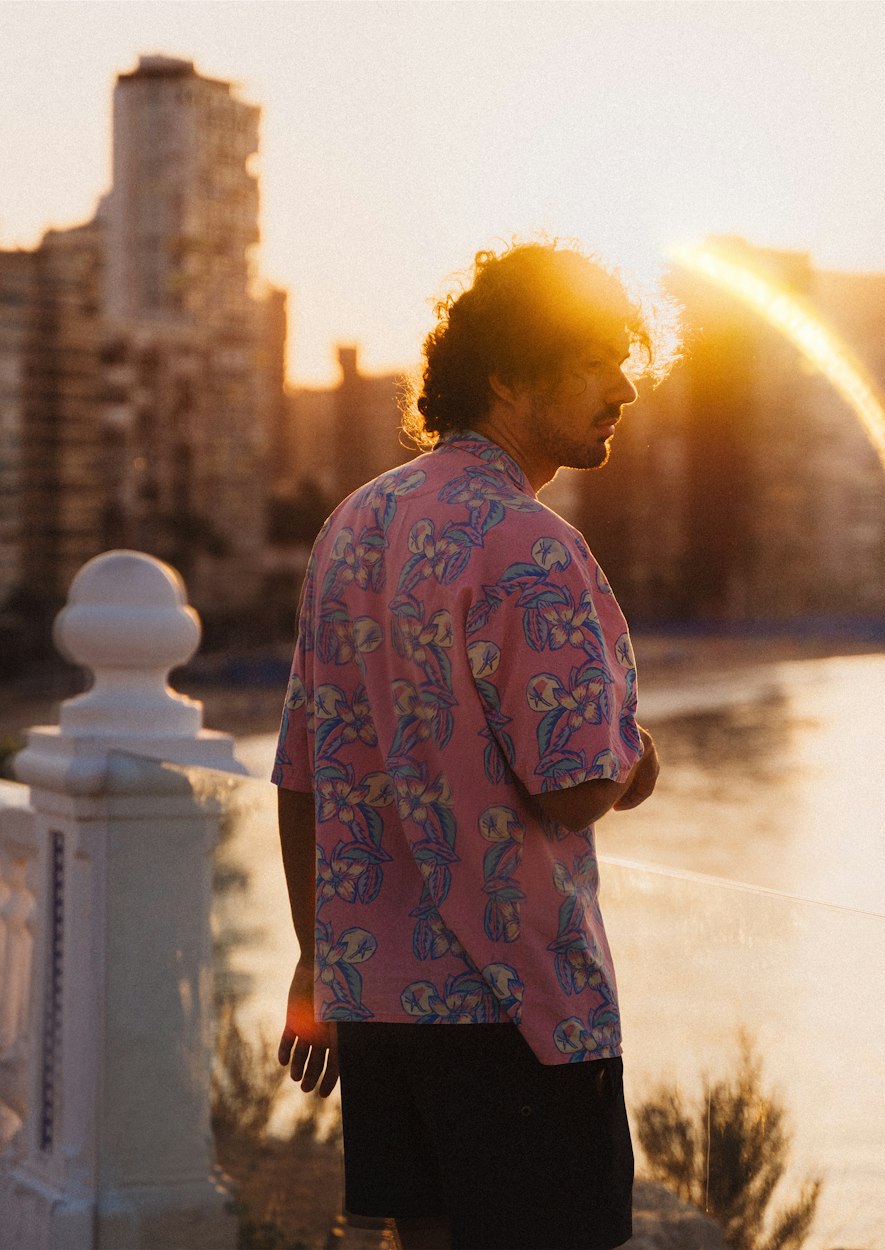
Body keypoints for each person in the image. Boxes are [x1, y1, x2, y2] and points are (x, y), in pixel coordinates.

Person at [273, 241, 662, 1250]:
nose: (622, 386)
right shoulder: (530, 543)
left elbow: (305, 770)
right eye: (591, 360)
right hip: (517, 1007)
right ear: (503, 372)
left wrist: (317, 956)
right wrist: (635, 751)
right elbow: (576, 785)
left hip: (382, 1002)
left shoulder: (353, 524)